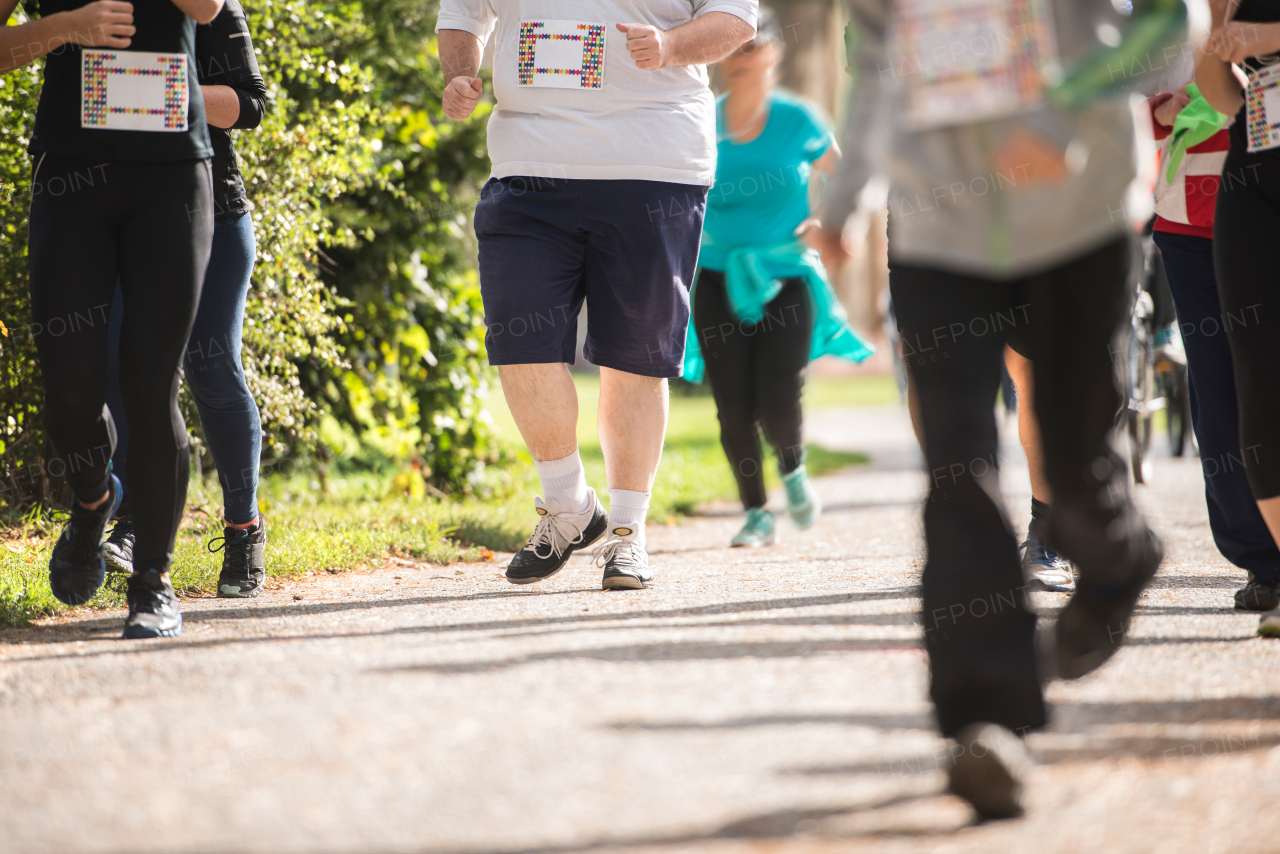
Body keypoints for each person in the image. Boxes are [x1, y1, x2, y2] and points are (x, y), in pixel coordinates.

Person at [821, 0, 1185, 819]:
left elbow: (1169, 30)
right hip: (938, 227)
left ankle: (1119, 555)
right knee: (956, 463)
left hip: (1079, 215)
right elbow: (876, 65)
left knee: (1076, 461)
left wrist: (1068, 99)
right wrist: (847, 195)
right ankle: (984, 715)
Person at [436, 0, 756, 589]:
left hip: (654, 166)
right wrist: (459, 71)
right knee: (520, 342)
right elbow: (462, 16)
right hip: (526, 166)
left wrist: (672, 46)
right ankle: (569, 507)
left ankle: (628, 534)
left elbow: (736, 18)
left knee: (635, 356)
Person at [8, 0, 224, 638]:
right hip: (72, 178)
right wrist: (63, 28)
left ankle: (152, 581)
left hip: (172, 179)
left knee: (150, 380)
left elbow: (208, 7)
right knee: (69, 391)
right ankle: (95, 498)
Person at [682, 10, 873, 549]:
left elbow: (845, 177)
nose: (741, 57)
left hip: (787, 275)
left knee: (778, 396)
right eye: (734, 49)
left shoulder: (799, 120)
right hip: (718, 276)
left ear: (771, 55)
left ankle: (793, 469)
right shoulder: (704, 119)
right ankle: (756, 513)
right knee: (732, 403)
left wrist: (829, 223)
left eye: (752, 47)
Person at [101, 0, 269, 599]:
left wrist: (163, 90)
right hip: (117, 214)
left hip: (214, 213)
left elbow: (251, 103)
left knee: (210, 366)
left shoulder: (208, 7)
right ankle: (132, 520)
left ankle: (243, 527)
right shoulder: (95, 10)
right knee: (127, 368)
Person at [1147, 81, 1280, 612]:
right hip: (1194, 212)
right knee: (1222, 384)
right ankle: (1264, 561)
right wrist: (1155, 108)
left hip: (1255, 192)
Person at [1196, 0, 1280, 637]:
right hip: (1254, 160)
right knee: (1256, 373)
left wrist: (1265, 33)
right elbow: (1223, 95)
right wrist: (1212, 39)